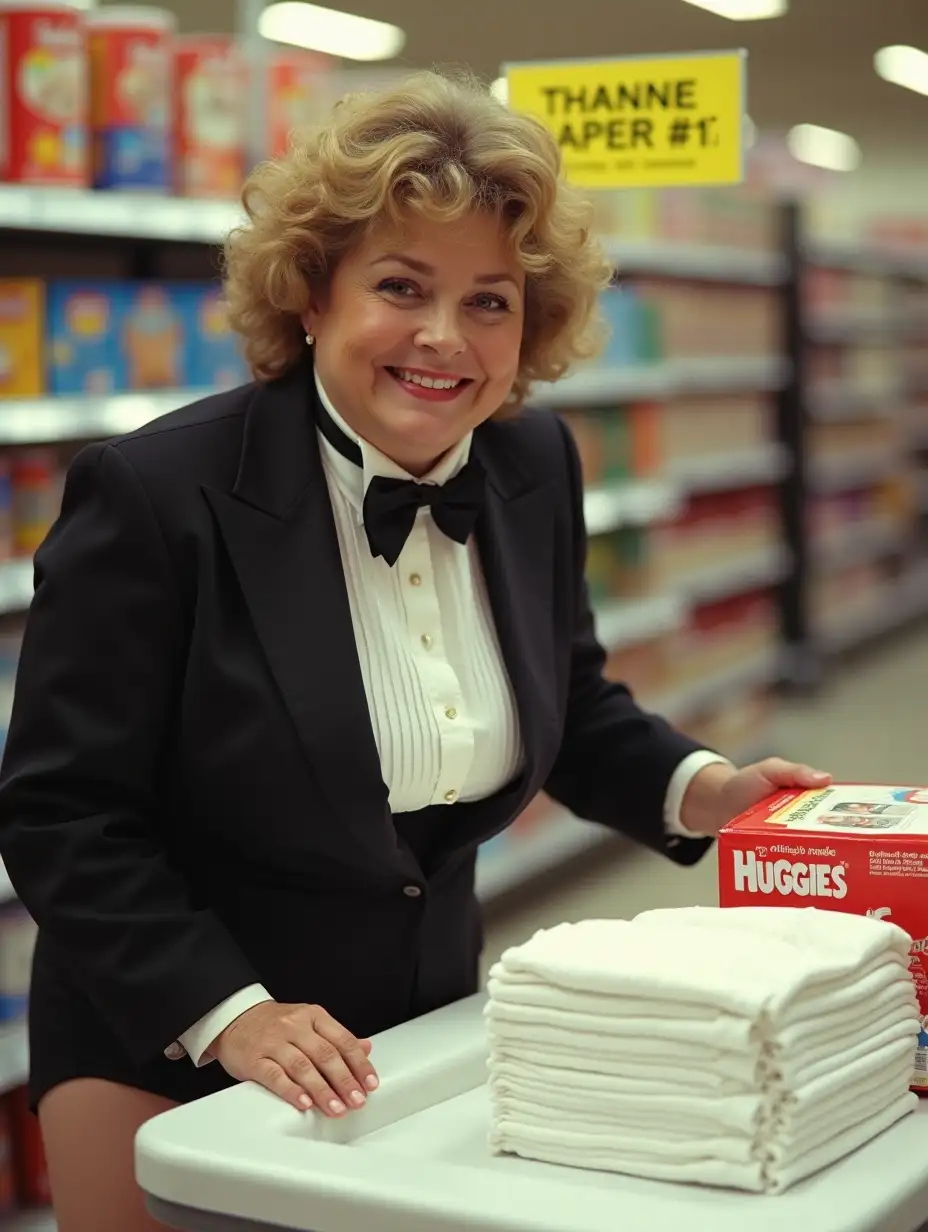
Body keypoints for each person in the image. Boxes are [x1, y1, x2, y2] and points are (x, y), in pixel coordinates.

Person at [0, 70, 830, 1232]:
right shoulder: (158, 494)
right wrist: (231, 1009)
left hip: (421, 1031)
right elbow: (63, 813)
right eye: (401, 286)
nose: (444, 338)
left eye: (490, 301)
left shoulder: (533, 466)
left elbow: (571, 700)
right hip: (174, 1038)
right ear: (310, 296)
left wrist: (707, 790)